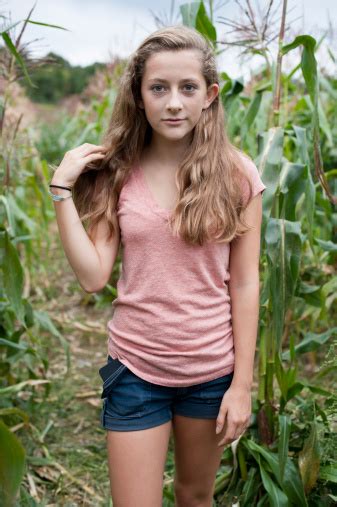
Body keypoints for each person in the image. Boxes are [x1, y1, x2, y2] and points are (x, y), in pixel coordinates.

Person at [49, 24, 266, 507]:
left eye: (188, 88)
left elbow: (246, 282)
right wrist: (62, 192)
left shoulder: (238, 174)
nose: (173, 103)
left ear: (209, 95)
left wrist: (242, 385)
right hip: (136, 369)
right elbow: (92, 276)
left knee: (195, 497)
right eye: (158, 88)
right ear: (138, 95)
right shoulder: (118, 173)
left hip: (211, 371)